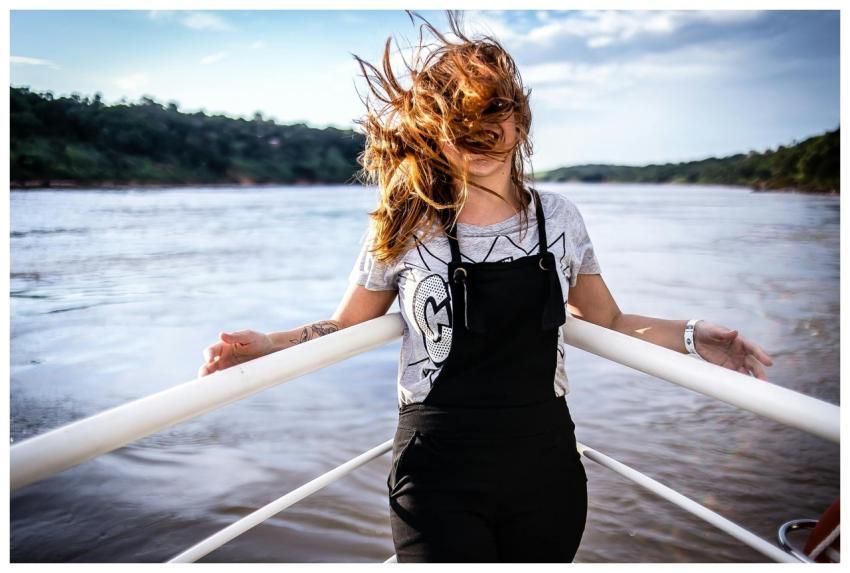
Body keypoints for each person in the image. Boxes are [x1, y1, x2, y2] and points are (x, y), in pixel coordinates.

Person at [197, 11, 774, 563]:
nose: (479, 131)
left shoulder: (560, 217)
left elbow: (610, 321)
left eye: (492, 110)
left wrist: (697, 337)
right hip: (437, 468)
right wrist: (269, 344)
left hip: (545, 464)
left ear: (519, 119)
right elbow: (346, 324)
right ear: (435, 133)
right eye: (458, 119)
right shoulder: (405, 221)